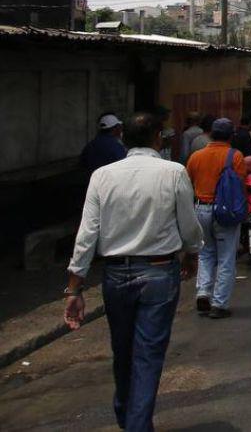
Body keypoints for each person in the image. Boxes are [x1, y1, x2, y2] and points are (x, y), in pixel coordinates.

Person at [64, 112, 203, 432]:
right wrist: (192, 253)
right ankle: (136, 424)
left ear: (124, 137)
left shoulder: (102, 176)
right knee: (147, 357)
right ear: (157, 138)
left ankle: (129, 418)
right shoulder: (173, 172)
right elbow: (188, 225)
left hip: (116, 275)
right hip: (158, 272)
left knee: (123, 352)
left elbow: (87, 235)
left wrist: (74, 288)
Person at [186, 117, 245, 318]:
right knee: (226, 257)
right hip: (225, 212)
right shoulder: (235, 156)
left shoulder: (196, 157)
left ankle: (203, 291)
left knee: (205, 253)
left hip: (200, 208)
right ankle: (219, 303)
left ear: (210, 134)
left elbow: (189, 184)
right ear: (231, 136)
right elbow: (240, 187)